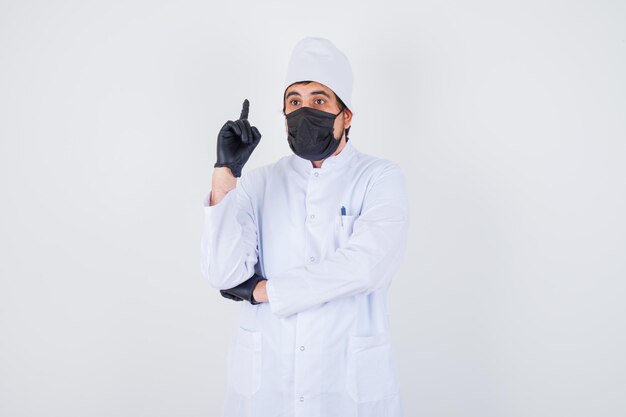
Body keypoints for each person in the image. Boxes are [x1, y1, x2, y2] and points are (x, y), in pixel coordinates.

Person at [201, 37, 409, 417]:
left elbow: (367, 266)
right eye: (294, 102)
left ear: (346, 115)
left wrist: (266, 292)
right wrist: (225, 175)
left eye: (319, 101)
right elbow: (224, 272)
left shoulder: (379, 178)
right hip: (267, 383)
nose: (304, 111)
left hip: (346, 384)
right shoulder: (259, 182)